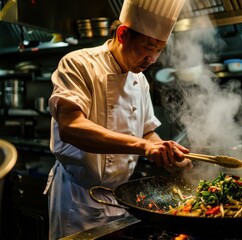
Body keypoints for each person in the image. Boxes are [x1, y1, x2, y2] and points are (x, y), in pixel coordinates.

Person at [43, 0, 191, 239]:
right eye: (148, 46)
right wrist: (145, 147)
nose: (152, 59)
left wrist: (165, 149)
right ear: (123, 34)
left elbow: (146, 132)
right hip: (78, 198)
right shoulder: (78, 63)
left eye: (159, 49)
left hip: (121, 198)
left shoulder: (139, 79)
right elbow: (71, 127)